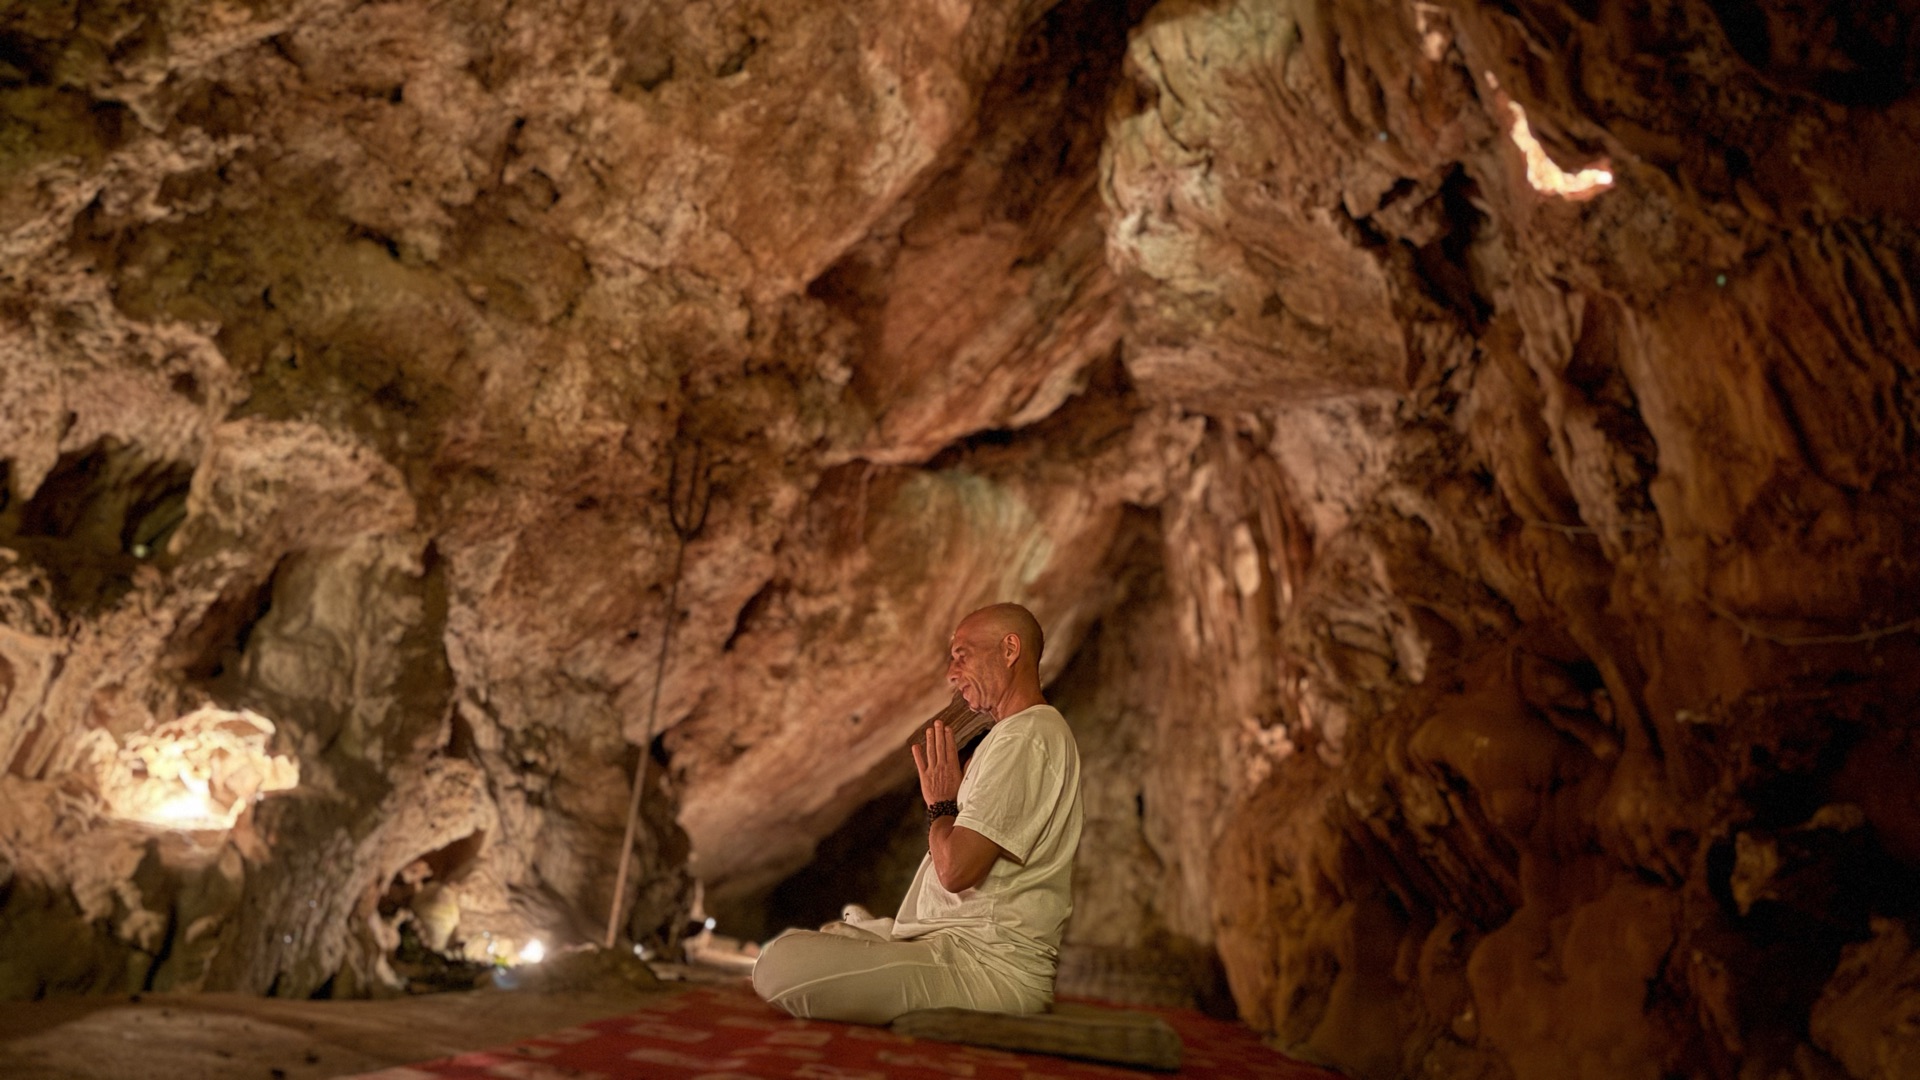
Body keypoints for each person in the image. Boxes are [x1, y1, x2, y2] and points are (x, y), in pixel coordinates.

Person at [751, 603, 1083, 1024]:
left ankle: (881, 943)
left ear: (1010, 649)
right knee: (833, 935)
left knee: (778, 965)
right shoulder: (1013, 735)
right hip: (955, 950)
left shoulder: (1028, 737)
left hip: (985, 968)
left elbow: (956, 871)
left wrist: (941, 804)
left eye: (963, 654)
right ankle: (883, 939)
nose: (952, 672)